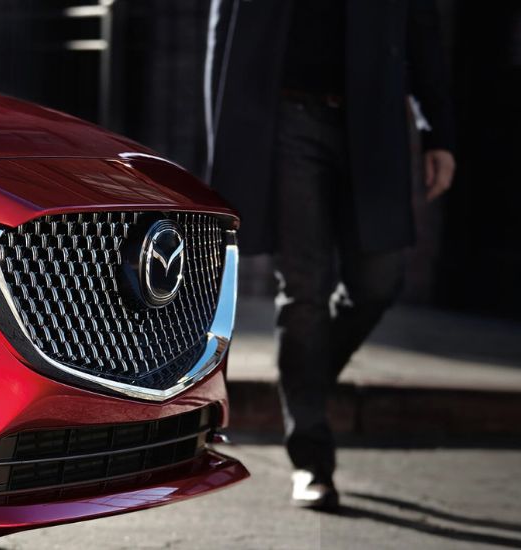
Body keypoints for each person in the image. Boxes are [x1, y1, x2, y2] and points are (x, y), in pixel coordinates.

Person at [205, 0, 456, 511]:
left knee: (380, 280)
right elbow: (224, 30)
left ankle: (304, 385)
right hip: (287, 119)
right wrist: (228, 137)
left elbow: (421, 29)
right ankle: (312, 461)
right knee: (305, 288)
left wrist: (439, 132)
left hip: (374, 119)